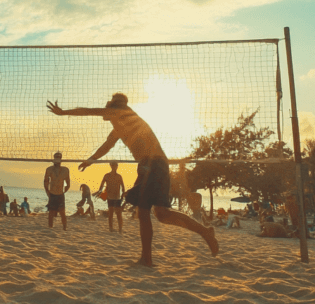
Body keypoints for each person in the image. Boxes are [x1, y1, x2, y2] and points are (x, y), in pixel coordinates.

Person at [48, 93, 218, 267]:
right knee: (161, 214)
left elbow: (89, 111)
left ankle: (147, 259)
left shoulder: (120, 112)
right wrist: (90, 160)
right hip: (156, 165)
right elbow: (106, 146)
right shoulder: (119, 127)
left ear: (112, 107)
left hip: (152, 165)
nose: (104, 112)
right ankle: (205, 232)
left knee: (143, 211)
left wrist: (63, 113)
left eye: (107, 107)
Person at [96, 161, 127, 233]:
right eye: (113, 165)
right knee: (110, 214)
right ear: (111, 166)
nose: (114, 167)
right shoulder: (106, 175)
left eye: (115, 165)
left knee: (119, 214)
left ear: (117, 166)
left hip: (117, 197)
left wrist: (123, 195)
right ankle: (111, 229)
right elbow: (101, 184)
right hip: (110, 197)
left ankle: (120, 229)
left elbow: (123, 186)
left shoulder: (119, 176)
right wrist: (99, 191)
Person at [44, 151, 70, 230]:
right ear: (54, 159)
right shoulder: (49, 169)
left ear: (60, 159)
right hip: (52, 193)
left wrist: (66, 188)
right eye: (56, 158)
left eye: (59, 158)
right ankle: (50, 227)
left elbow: (68, 181)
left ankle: (65, 228)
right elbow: (46, 181)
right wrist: (47, 191)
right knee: (51, 212)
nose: (57, 160)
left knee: (62, 213)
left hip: (60, 194)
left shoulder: (65, 170)